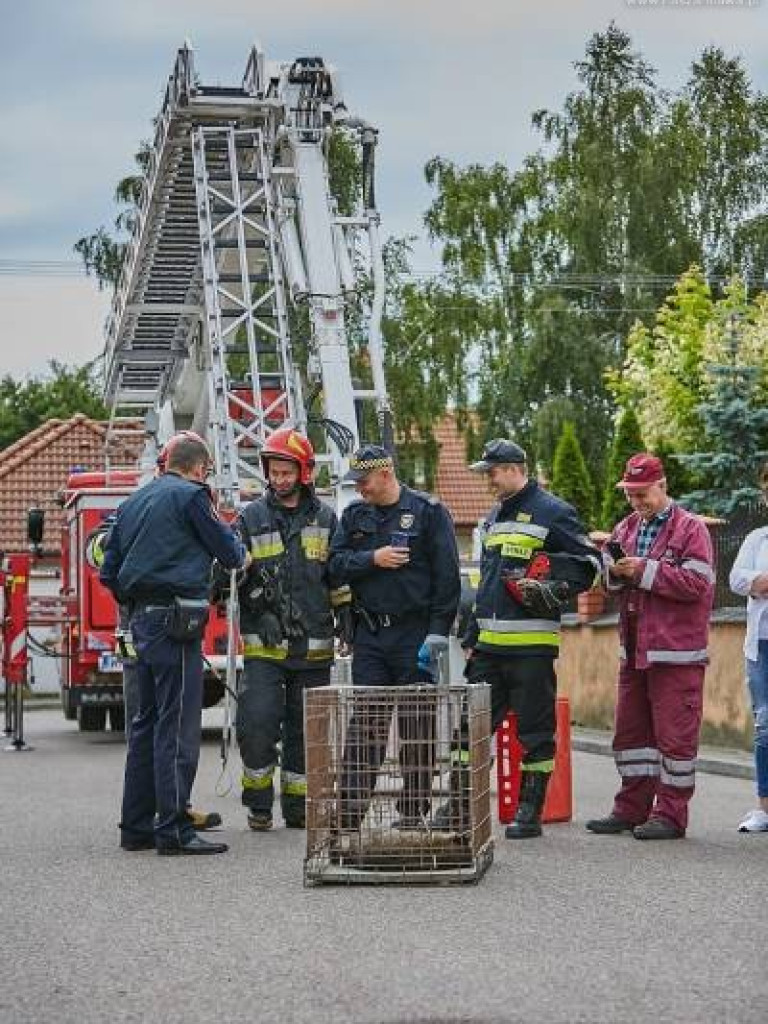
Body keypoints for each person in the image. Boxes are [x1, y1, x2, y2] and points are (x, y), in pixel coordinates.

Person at [100, 431, 247, 855]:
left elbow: (108, 571)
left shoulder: (131, 503)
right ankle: (174, 829)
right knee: (177, 725)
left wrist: (137, 600)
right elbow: (229, 551)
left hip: (141, 624)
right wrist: (239, 551)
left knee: (144, 725)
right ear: (200, 468)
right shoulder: (192, 496)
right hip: (176, 622)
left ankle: (136, 827)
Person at [463, 438, 600, 839]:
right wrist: (472, 635)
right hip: (488, 647)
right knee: (468, 731)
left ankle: (529, 812)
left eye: (491, 471)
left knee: (536, 732)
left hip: (531, 649)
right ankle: (461, 807)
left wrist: (549, 579)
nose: (488, 479)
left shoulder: (554, 512)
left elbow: (590, 565)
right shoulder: (491, 517)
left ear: (513, 468)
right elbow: (486, 582)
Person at [329, 444, 461, 829]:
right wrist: (373, 558)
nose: (360, 489)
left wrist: (438, 633)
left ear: (386, 474)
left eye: (365, 481)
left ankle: (411, 812)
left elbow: (447, 578)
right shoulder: (355, 514)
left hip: (415, 635)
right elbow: (334, 567)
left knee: (416, 727)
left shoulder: (428, 512)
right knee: (365, 727)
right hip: (370, 635)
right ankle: (350, 814)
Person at [586, 453, 715, 841]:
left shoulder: (691, 529)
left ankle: (671, 816)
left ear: (662, 486)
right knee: (631, 736)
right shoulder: (624, 529)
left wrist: (641, 570)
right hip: (635, 653)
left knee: (675, 739)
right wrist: (611, 572)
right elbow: (608, 588)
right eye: (630, 494)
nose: (636, 502)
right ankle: (631, 809)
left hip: (677, 655)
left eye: (642, 493)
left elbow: (697, 584)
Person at [235, 428, 353, 831]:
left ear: (304, 473)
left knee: (307, 731)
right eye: (274, 472)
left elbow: (335, 576)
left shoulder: (325, 519)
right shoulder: (249, 518)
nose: (279, 480)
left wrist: (347, 616)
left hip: (313, 647)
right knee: (258, 722)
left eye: (287, 472)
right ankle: (258, 803)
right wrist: (256, 606)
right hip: (264, 646)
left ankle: (298, 807)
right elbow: (232, 579)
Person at [729, 462, 768, 833]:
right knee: (765, 725)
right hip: (762, 647)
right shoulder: (758, 539)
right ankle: (765, 808)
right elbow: (736, 578)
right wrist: (761, 581)